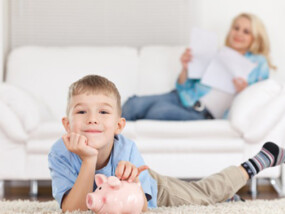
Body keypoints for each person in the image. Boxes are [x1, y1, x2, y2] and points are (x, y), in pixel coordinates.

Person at [49, 75, 284, 212]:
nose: (92, 119)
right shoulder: (59, 154)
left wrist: (131, 184)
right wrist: (89, 159)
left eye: (102, 111)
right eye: (81, 111)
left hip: (150, 188)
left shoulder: (126, 149)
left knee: (202, 195)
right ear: (67, 124)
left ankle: (252, 165)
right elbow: (72, 210)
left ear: (119, 125)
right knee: (205, 196)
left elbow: (141, 208)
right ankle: (228, 197)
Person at [122, 13, 275, 121]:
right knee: (134, 103)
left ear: (255, 38)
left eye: (246, 31)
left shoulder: (258, 63)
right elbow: (184, 87)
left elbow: (258, 99)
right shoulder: (216, 53)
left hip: (203, 114)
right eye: (236, 28)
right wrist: (185, 68)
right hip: (183, 97)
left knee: (157, 112)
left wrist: (244, 91)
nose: (238, 33)